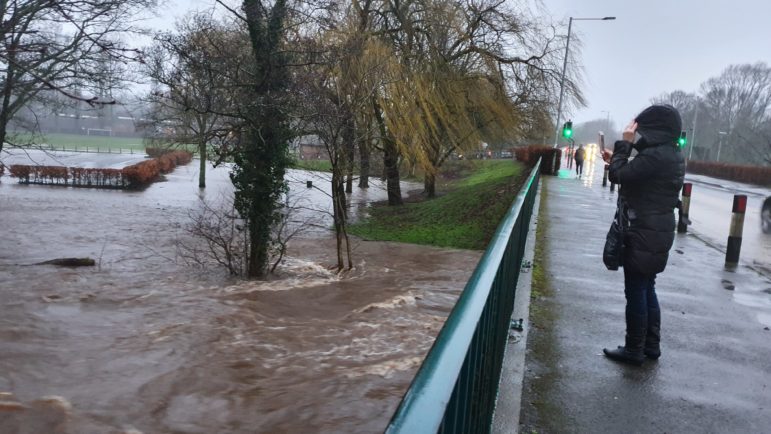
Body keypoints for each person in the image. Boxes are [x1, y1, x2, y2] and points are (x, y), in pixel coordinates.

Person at [600, 104, 685, 366]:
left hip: (643, 231)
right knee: (647, 287)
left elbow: (618, 175)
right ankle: (651, 346)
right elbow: (633, 173)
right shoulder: (670, 153)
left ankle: (634, 349)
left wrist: (623, 147)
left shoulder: (656, 157)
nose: (637, 134)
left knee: (636, 289)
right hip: (657, 231)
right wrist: (617, 155)